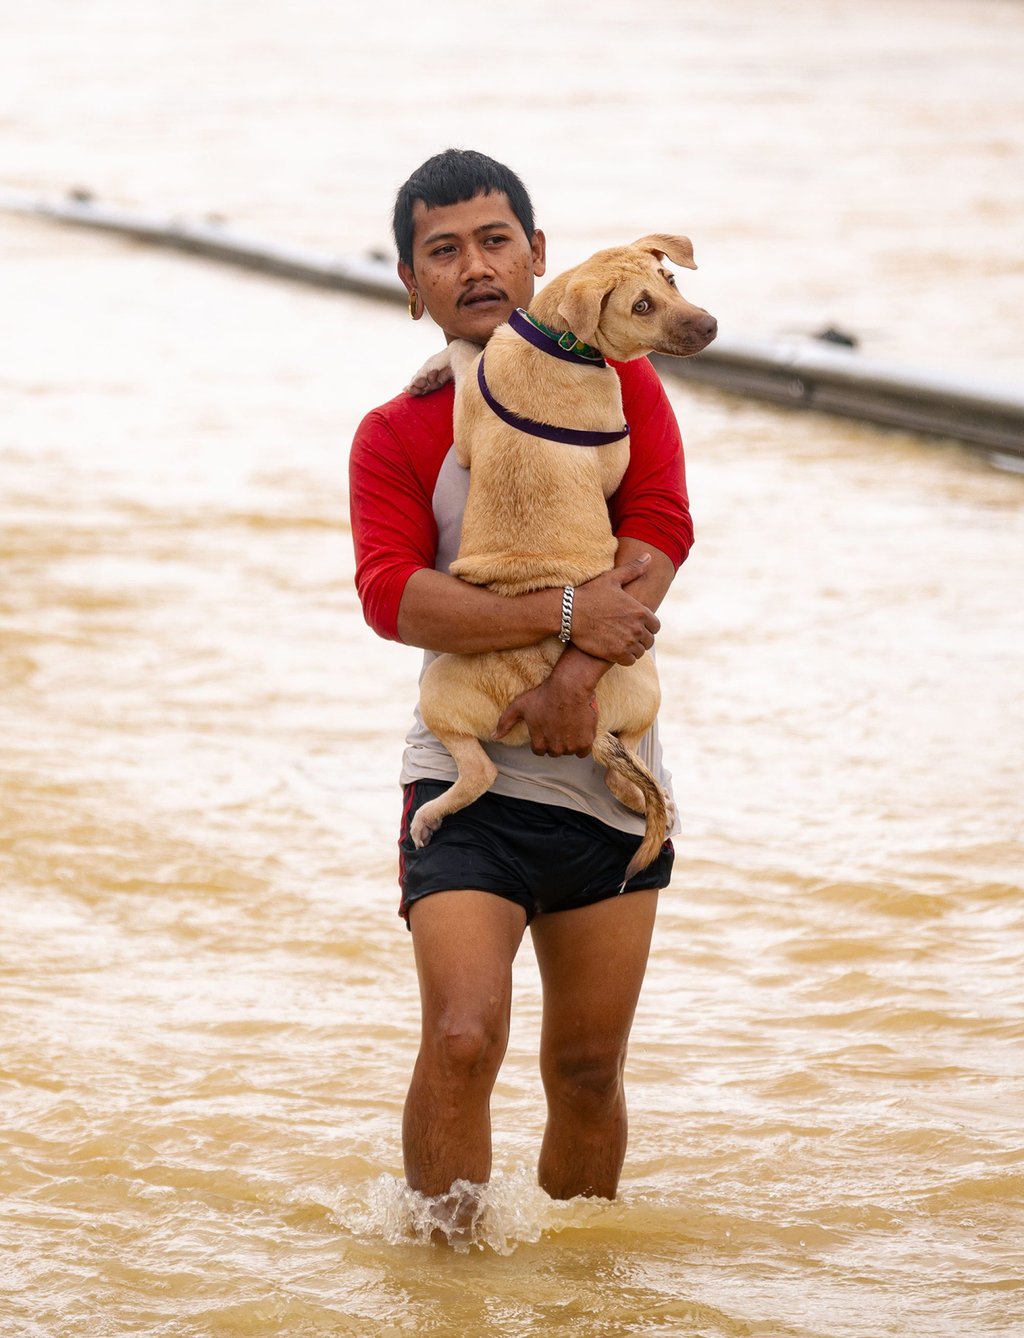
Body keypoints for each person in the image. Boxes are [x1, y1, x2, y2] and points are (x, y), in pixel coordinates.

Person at [348, 149, 693, 1213]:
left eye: (496, 241)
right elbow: (393, 597)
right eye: (441, 253)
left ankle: (579, 1313)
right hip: (468, 775)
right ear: (412, 286)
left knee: (586, 1074)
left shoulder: (624, 387)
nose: (475, 267)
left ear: (540, 256)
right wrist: (554, 613)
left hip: (604, 765)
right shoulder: (395, 432)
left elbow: (658, 539)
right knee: (462, 1039)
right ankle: (442, 1294)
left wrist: (573, 675)